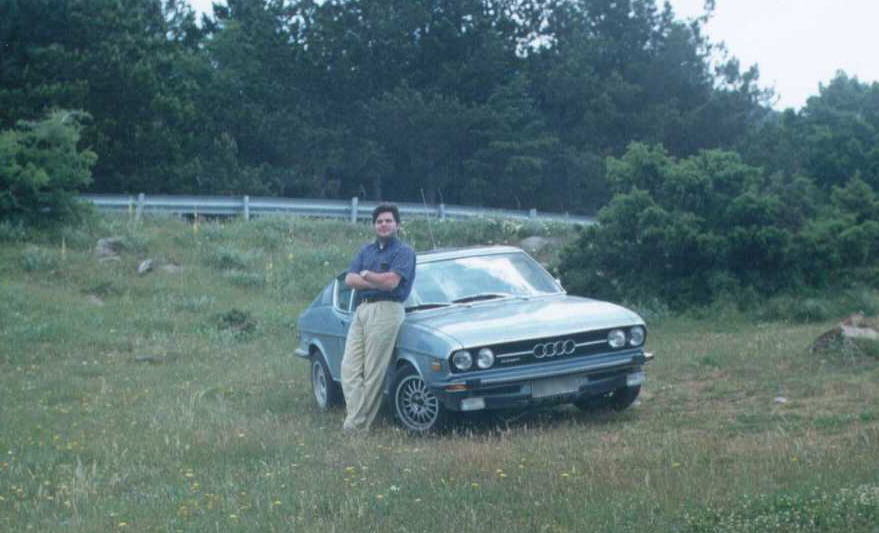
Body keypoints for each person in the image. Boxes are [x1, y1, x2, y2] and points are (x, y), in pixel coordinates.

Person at [340, 203, 416, 432]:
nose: (383, 225)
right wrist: (375, 280)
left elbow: (392, 283)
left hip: (387, 310)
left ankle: (356, 427)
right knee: (349, 369)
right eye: (379, 221)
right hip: (362, 309)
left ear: (397, 225)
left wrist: (366, 275)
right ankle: (356, 419)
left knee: (374, 372)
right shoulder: (366, 251)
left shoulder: (404, 252)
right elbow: (349, 279)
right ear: (374, 225)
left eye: (388, 221)